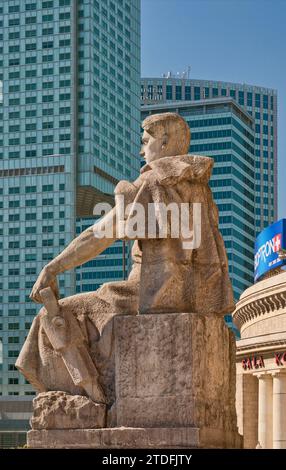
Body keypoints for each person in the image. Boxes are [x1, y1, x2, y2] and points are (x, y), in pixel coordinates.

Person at [16, 112, 234, 404]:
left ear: (165, 142)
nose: (141, 150)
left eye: (146, 141)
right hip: (186, 295)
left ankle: (91, 403)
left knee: (51, 317)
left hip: (147, 294)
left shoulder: (153, 182)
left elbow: (100, 233)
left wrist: (52, 267)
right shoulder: (199, 187)